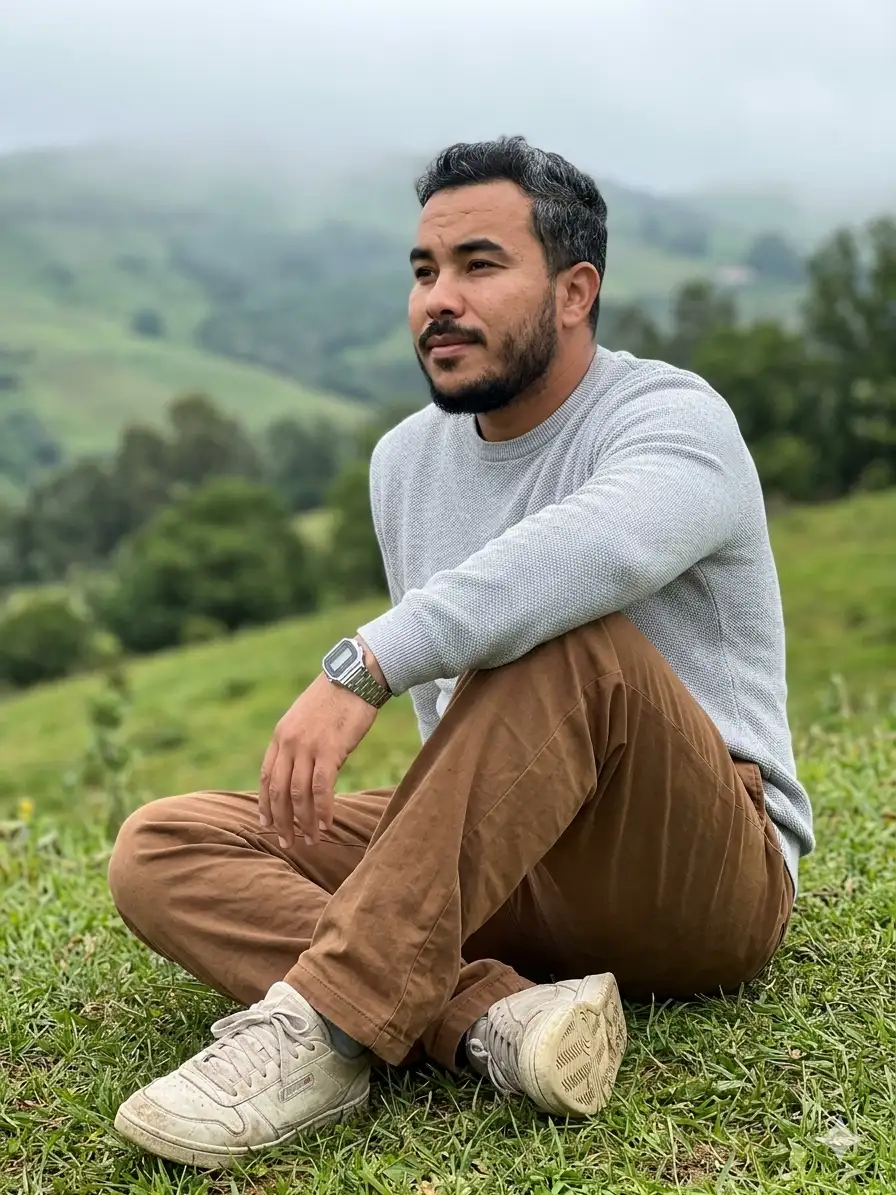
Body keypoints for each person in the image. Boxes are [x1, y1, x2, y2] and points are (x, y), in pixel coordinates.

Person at [107, 136, 812, 1171]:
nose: (439, 298)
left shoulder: (671, 419)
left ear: (575, 291)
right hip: (514, 870)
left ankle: (327, 1028)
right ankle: (493, 1019)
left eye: (478, 266)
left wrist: (366, 661)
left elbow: (584, 552)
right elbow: (463, 742)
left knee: (564, 640)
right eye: (424, 271)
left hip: (693, 869)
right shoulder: (404, 462)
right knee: (164, 846)